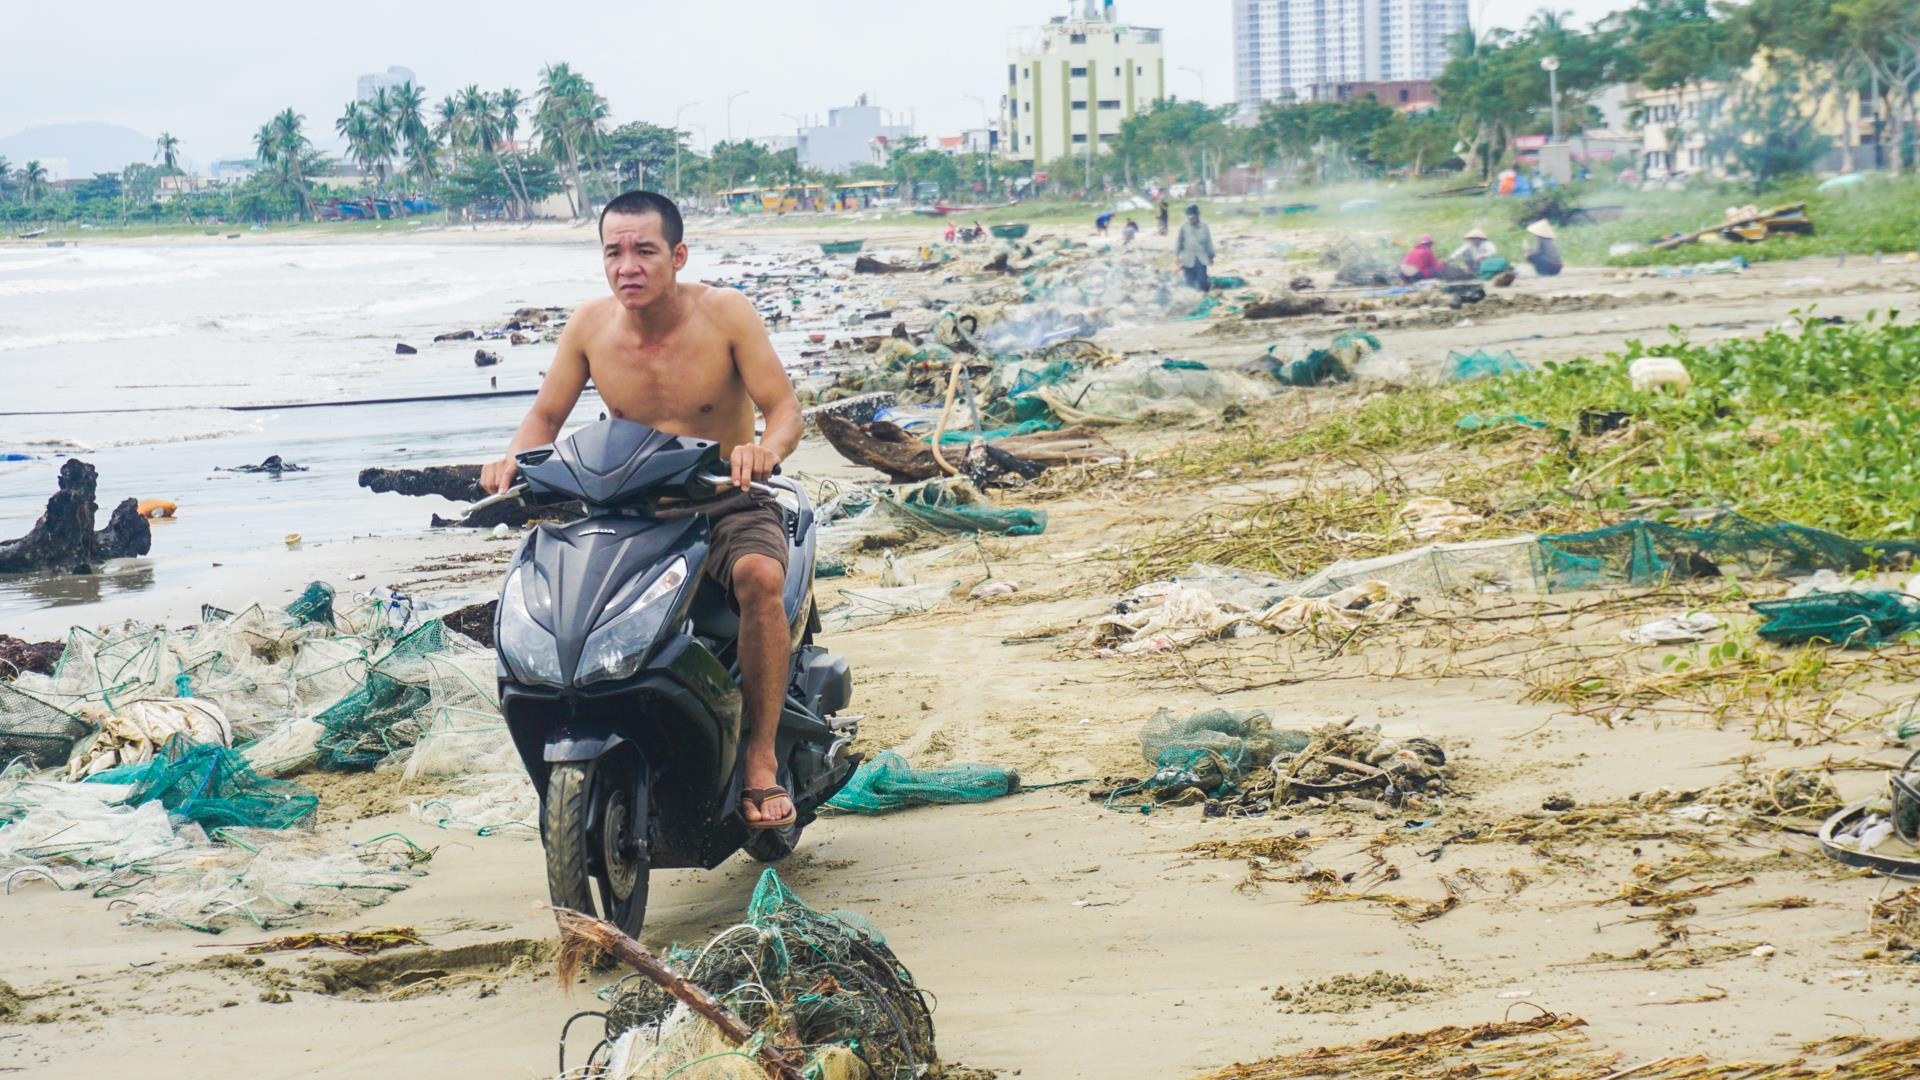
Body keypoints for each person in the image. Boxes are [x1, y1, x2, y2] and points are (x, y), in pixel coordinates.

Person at [479, 190, 805, 831]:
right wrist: (510, 460)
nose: (628, 265)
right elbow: (546, 417)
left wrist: (764, 452)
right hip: (629, 509)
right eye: (614, 251)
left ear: (677, 255)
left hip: (721, 500)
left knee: (760, 578)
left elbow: (784, 408)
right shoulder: (590, 327)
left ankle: (760, 759)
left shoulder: (726, 314)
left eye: (644, 251)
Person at [1175, 204, 1215, 292]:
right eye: (1189, 217)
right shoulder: (1184, 227)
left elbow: (1208, 242)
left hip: (1201, 258)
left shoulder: (1204, 227)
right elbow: (1179, 243)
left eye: (1193, 217)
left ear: (1197, 216)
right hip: (1187, 258)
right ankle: (1192, 299)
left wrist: (1211, 256)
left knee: (1202, 280)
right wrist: (1177, 257)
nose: (1191, 219)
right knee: (1189, 282)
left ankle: (1205, 295)